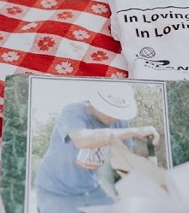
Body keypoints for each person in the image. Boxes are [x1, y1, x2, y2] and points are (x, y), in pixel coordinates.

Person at [33, 82, 160, 213]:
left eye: (120, 113)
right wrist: (134, 131)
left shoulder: (120, 121)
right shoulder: (72, 112)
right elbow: (81, 139)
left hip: (91, 189)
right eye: (113, 112)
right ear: (98, 104)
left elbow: (125, 159)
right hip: (55, 190)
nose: (116, 118)